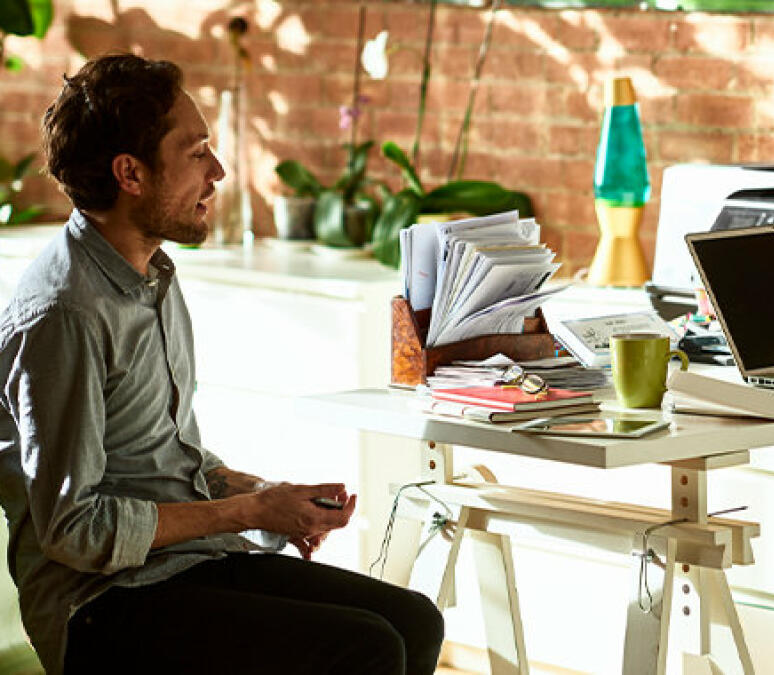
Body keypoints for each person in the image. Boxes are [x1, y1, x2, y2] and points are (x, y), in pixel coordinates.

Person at [0, 54, 443, 674]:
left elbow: (167, 456)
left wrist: (269, 496)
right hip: (100, 607)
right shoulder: (65, 315)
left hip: (185, 565)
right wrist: (247, 512)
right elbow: (75, 531)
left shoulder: (150, 276)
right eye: (196, 152)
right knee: (364, 649)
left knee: (414, 620)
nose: (220, 171)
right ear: (130, 173)